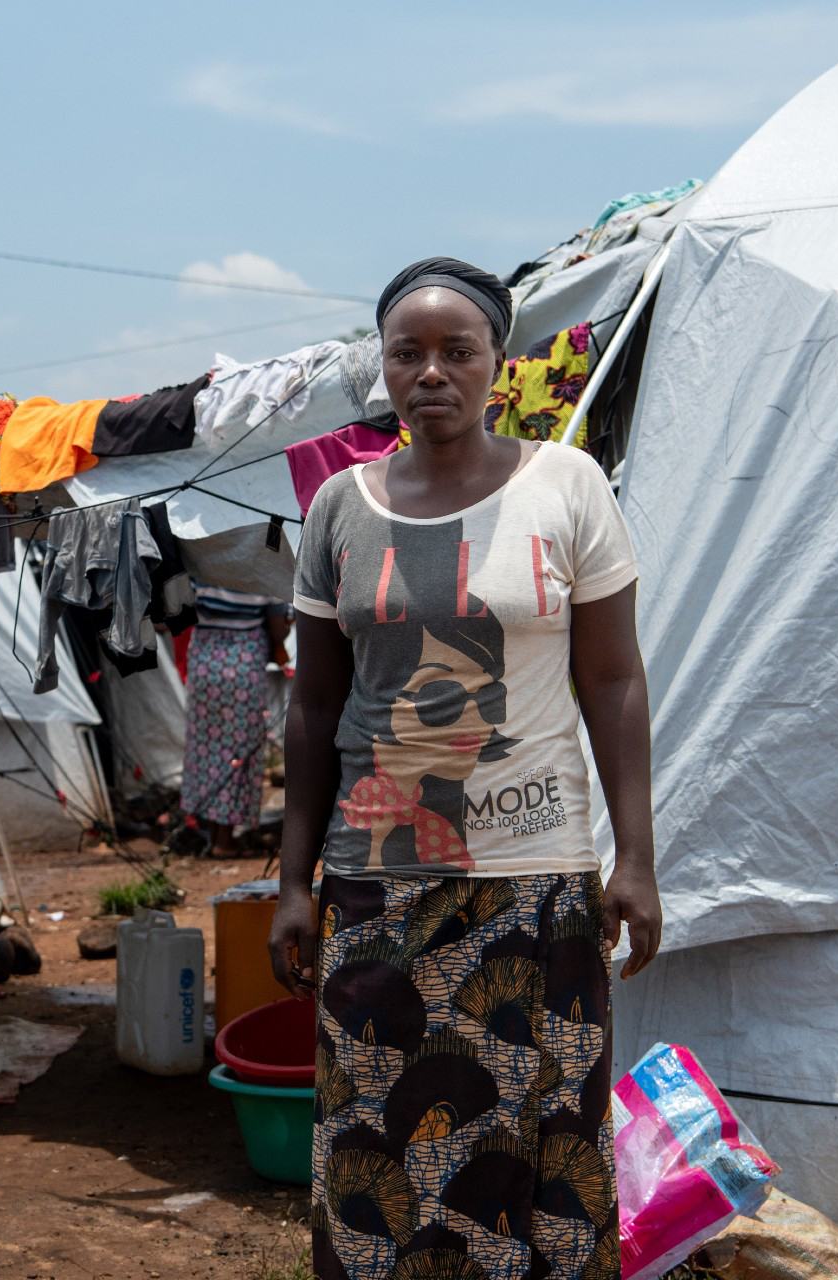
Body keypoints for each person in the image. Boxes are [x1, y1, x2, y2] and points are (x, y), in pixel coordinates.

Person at [269, 257, 661, 1279]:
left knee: (545, 1148)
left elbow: (613, 678)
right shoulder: (339, 509)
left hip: (537, 881)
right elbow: (314, 706)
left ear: (497, 361)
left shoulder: (566, 485)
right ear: (384, 367)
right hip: (378, 883)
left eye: (457, 350)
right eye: (408, 353)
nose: (432, 372)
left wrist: (635, 855)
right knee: (375, 1139)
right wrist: (294, 881)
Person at [180, 584, 292, 855]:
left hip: (203, 657)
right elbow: (279, 628)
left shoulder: (200, 565)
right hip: (244, 659)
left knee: (205, 748)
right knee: (238, 750)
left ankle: (211, 832)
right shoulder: (260, 571)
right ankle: (225, 840)